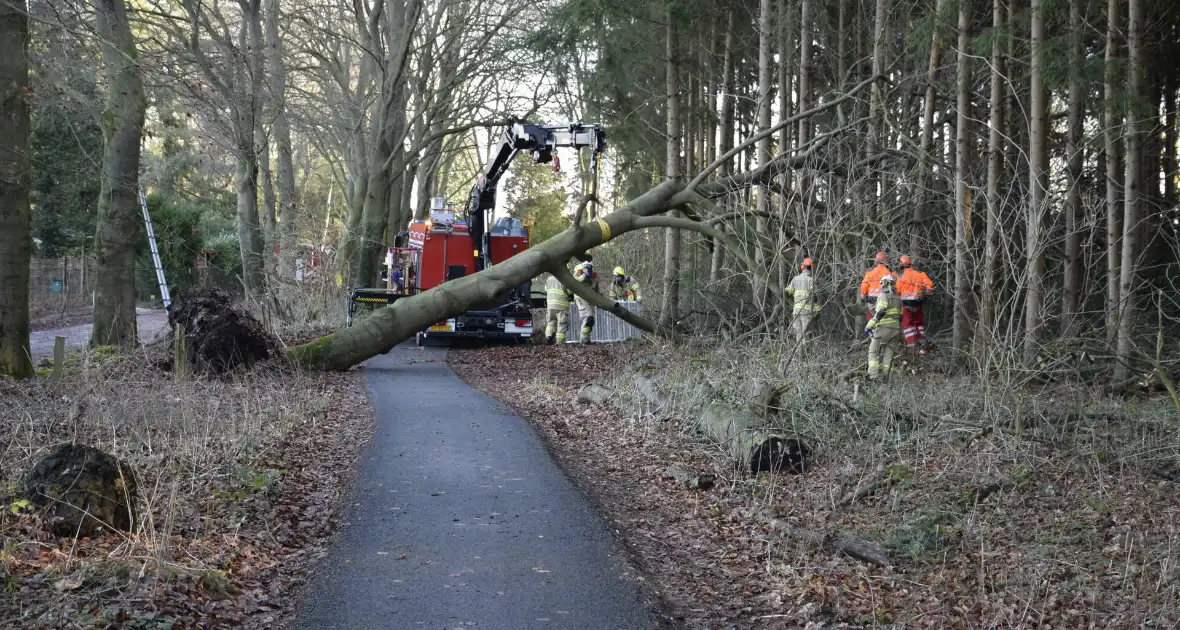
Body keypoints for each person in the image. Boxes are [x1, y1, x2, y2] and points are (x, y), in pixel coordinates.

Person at [864, 274, 903, 380]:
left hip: (883, 329)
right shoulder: (899, 299)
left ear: (884, 283)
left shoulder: (883, 296)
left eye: (881, 283)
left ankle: (873, 377)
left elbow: (880, 312)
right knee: (888, 356)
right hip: (895, 330)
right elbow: (901, 317)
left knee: (873, 352)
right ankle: (888, 378)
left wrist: (869, 327)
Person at [895, 255, 935, 349]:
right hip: (918, 303)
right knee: (919, 323)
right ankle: (922, 342)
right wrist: (926, 290)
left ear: (902, 264)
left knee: (907, 324)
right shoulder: (920, 274)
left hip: (906, 305)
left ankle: (912, 345)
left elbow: (897, 291)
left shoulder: (901, 278)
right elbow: (930, 285)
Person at [786, 257, 820, 342]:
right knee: (806, 335)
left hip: (796, 312)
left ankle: (799, 354)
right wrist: (817, 310)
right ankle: (805, 354)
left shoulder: (795, 279)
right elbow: (815, 296)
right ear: (811, 268)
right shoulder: (811, 280)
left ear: (802, 267)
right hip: (807, 312)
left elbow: (788, 292)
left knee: (799, 335)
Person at [859, 251, 893, 321]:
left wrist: (863, 297)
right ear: (885, 261)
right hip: (884, 301)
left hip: (871, 302)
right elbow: (892, 289)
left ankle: (874, 330)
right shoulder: (888, 273)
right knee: (883, 321)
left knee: (874, 321)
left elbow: (864, 288)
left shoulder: (870, 273)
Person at [572, 259, 598, 343]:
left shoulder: (593, 276)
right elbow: (573, 282)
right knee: (588, 317)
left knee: (591, 319)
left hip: (590, 298)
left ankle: (586, 339)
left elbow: (596, 289)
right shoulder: (578, 271)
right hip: (580, 297)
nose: (588, 270)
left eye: (590, 268)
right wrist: (583, 276)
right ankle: (583, 339)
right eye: (587, 268)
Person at [544, 273, 572, 344]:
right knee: (562, 325)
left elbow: (546, 289)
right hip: (561, 306)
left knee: (551, 323)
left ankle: (549, 336)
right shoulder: (564, 279)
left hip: (550, 306)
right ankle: (560, 344)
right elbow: (569, 291)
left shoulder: (549, 279)